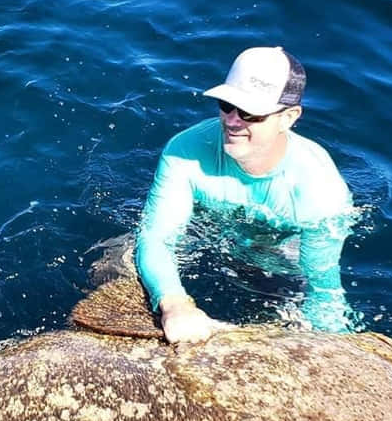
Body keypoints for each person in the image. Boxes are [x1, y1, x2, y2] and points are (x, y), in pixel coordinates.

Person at [135, 46, 353, 344]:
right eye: (227, 104)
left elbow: (323, 287)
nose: (233, 121)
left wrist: (332, 347)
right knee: (116, 259)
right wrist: (175, 304)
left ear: (289, 117)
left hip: (277, 255)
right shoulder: (185, 150)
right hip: (209, 231)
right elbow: (156, 237)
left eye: (251, 112)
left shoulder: (319, 190)